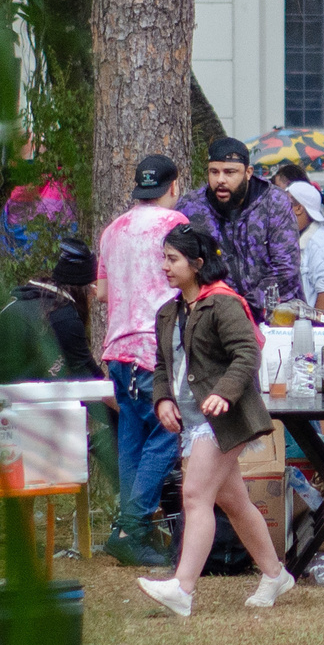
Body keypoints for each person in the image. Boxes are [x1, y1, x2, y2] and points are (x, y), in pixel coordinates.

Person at [136, 223, 291, 616]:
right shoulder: (168, 312)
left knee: (194, 495)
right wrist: (162, 401)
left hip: (227, 418)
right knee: (234, 501)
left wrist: (225, 392)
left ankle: (182, 589)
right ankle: (275, 574)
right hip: (192, 419)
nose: (165, 267)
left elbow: (247, 354)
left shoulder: (222, 303)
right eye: (164, 259)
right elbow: (161, 366)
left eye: (173, 259)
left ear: (197, 263)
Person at [95, 155, 188, 561]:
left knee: (132, 441)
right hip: (157, 348)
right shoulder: (175, 225)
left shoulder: (112, 230)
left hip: (118, 349)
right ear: (174, 186)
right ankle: (132, 528)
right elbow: (188, 278)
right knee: (171, 431)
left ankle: (130, 528)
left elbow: (101, 291)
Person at [175, 138, 303, 319]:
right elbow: (184, 265)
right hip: (215, 314)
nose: (220, 180)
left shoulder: (273, 202)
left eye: (230, 172)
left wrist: (246, 307)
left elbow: (286, 267)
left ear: (248, 172)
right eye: (214, 172)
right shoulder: (191, 207)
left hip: (275, 313)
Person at [0, 236, 100, 384]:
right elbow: (91, 378)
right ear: (82, 289)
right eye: (94, 287)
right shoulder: (63, 317)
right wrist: (124, 405)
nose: (96, 294)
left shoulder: (42, 303)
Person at [286, 180, 324, 316]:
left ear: (299, 208)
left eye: (285, 203)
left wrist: (315, 328)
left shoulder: (320, 243)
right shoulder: (296, 238)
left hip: (312, 333)